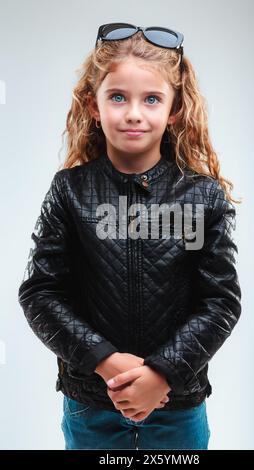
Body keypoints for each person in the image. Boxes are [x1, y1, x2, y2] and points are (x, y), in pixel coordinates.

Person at [18, 22, 242, 450]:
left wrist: (163, 374)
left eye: (152, 98)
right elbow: (41, 294)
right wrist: (105, 360)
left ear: (175, 109)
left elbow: (220, 302)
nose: (134, 112)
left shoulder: (202, 197)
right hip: (91, 405)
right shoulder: (71, 190)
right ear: (93, 105)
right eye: (118, 96)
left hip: (177, 405)